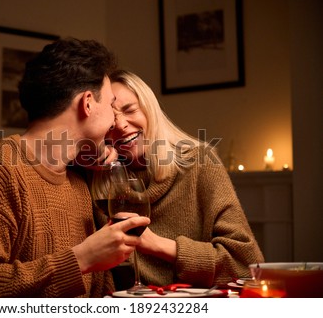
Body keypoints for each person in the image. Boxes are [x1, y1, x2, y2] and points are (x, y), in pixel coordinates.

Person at [0, 39, 150, 298]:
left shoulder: (77, 183)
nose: (115, 119)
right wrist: (80, 258)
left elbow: (98, 291)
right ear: (88, 102)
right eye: (111, 103)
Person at [94, 69, 264, 289]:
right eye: (111, 119)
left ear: (150, 110)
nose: (121, 125)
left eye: (130, 110)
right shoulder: (100, 179)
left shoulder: (199, 163)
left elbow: (248, 266)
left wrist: (157, 245)